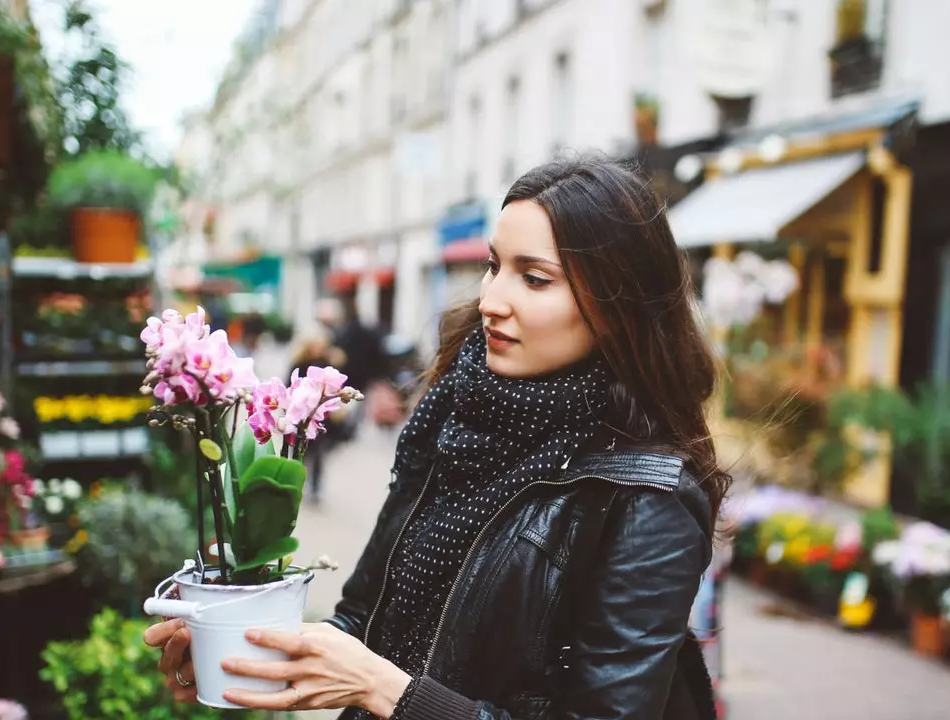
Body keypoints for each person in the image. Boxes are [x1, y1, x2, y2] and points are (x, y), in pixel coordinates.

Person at [144, 156, 730, 719]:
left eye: (534, 278)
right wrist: (247, 642)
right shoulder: (453, 416)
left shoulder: (647, 502)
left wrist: (387, 692)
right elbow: (365, 621)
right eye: (494, 266)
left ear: (618, 303)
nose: (492, 301)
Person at [289, 331, 350, 504]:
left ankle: (314, 487)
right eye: (315, 344)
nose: (319, 348)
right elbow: (289, 387)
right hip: (300, 416)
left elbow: (339, 388)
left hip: (322, 417)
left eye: (322, 345)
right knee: (299, 452)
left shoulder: (329, 365)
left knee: (318, 454)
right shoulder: (299, 364)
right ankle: (294, 482)